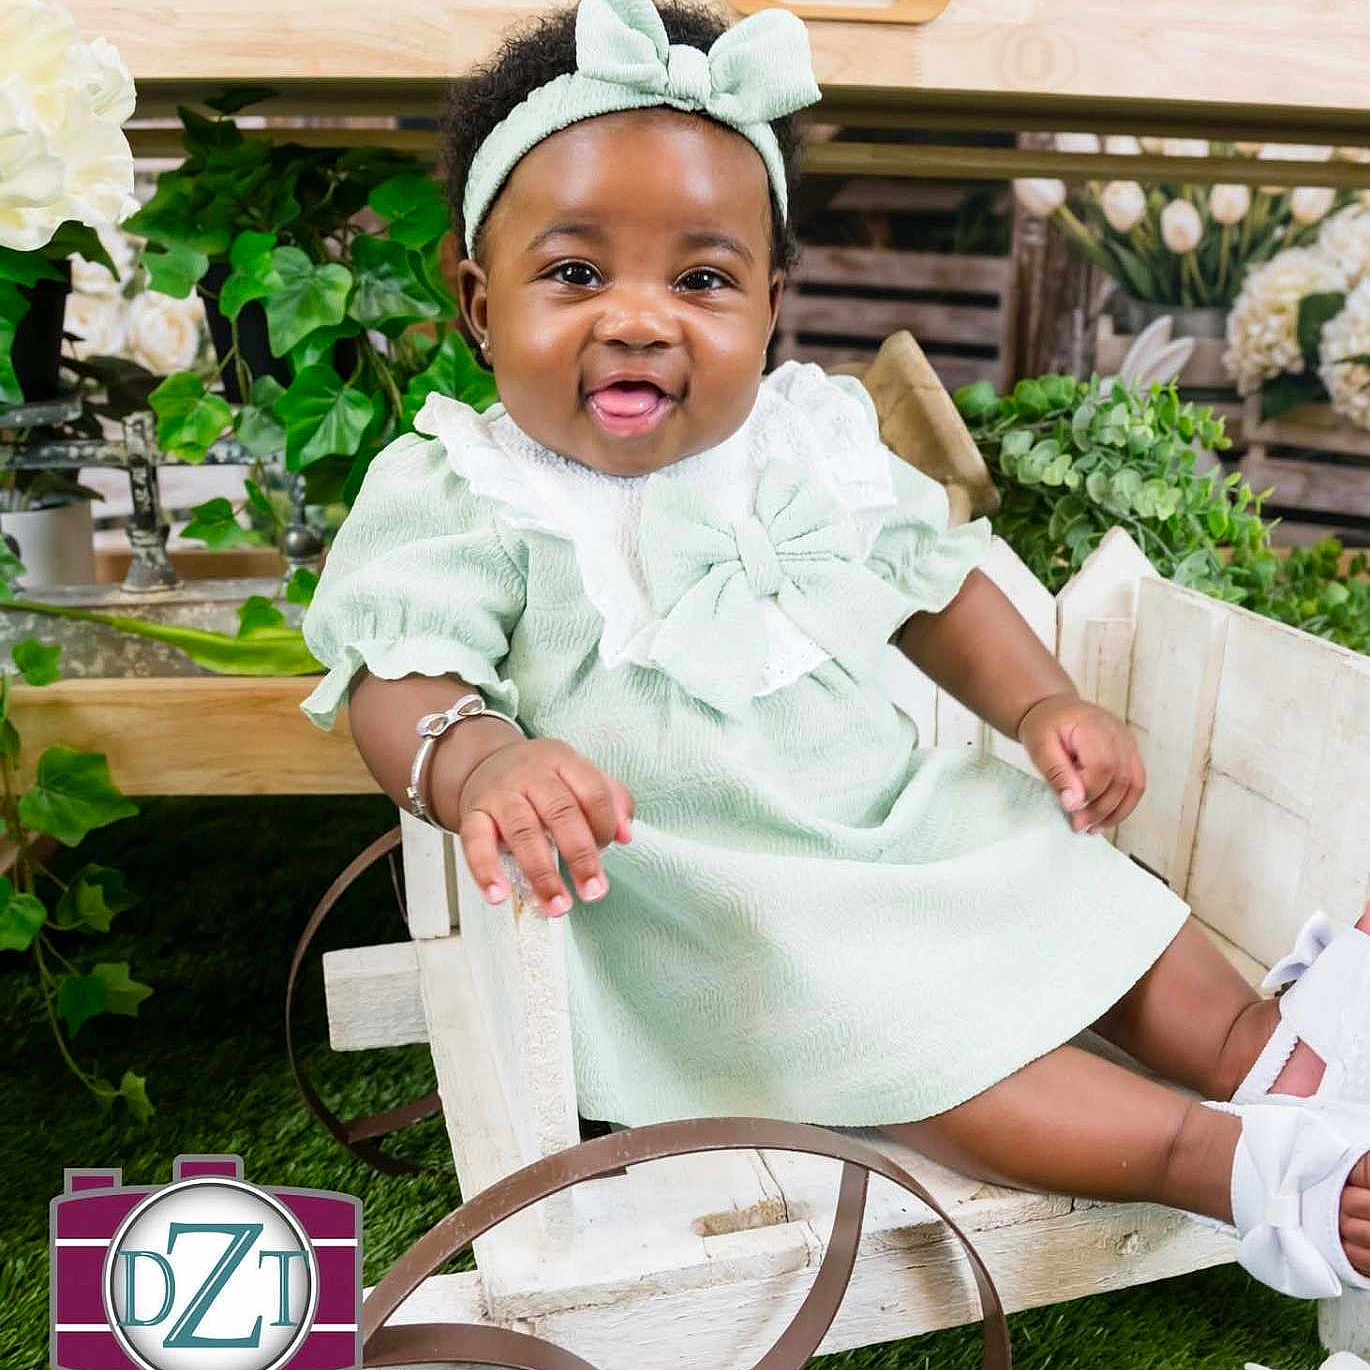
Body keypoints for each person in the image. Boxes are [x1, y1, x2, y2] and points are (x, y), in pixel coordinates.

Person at [299, 0, 1370, 1303]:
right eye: (575, 273)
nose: (638, 320)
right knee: (912, 1047)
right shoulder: (469, 487)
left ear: (766, 306)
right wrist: (481, 763)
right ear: (477, 301)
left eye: (699, 278)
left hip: (883, 812)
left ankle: (1281, 1055)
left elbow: (932, 587)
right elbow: (398, 670)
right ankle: (1230, 1160)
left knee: (1076, 891)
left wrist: (1040, 702)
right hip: (711, 900)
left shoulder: (800, 446)